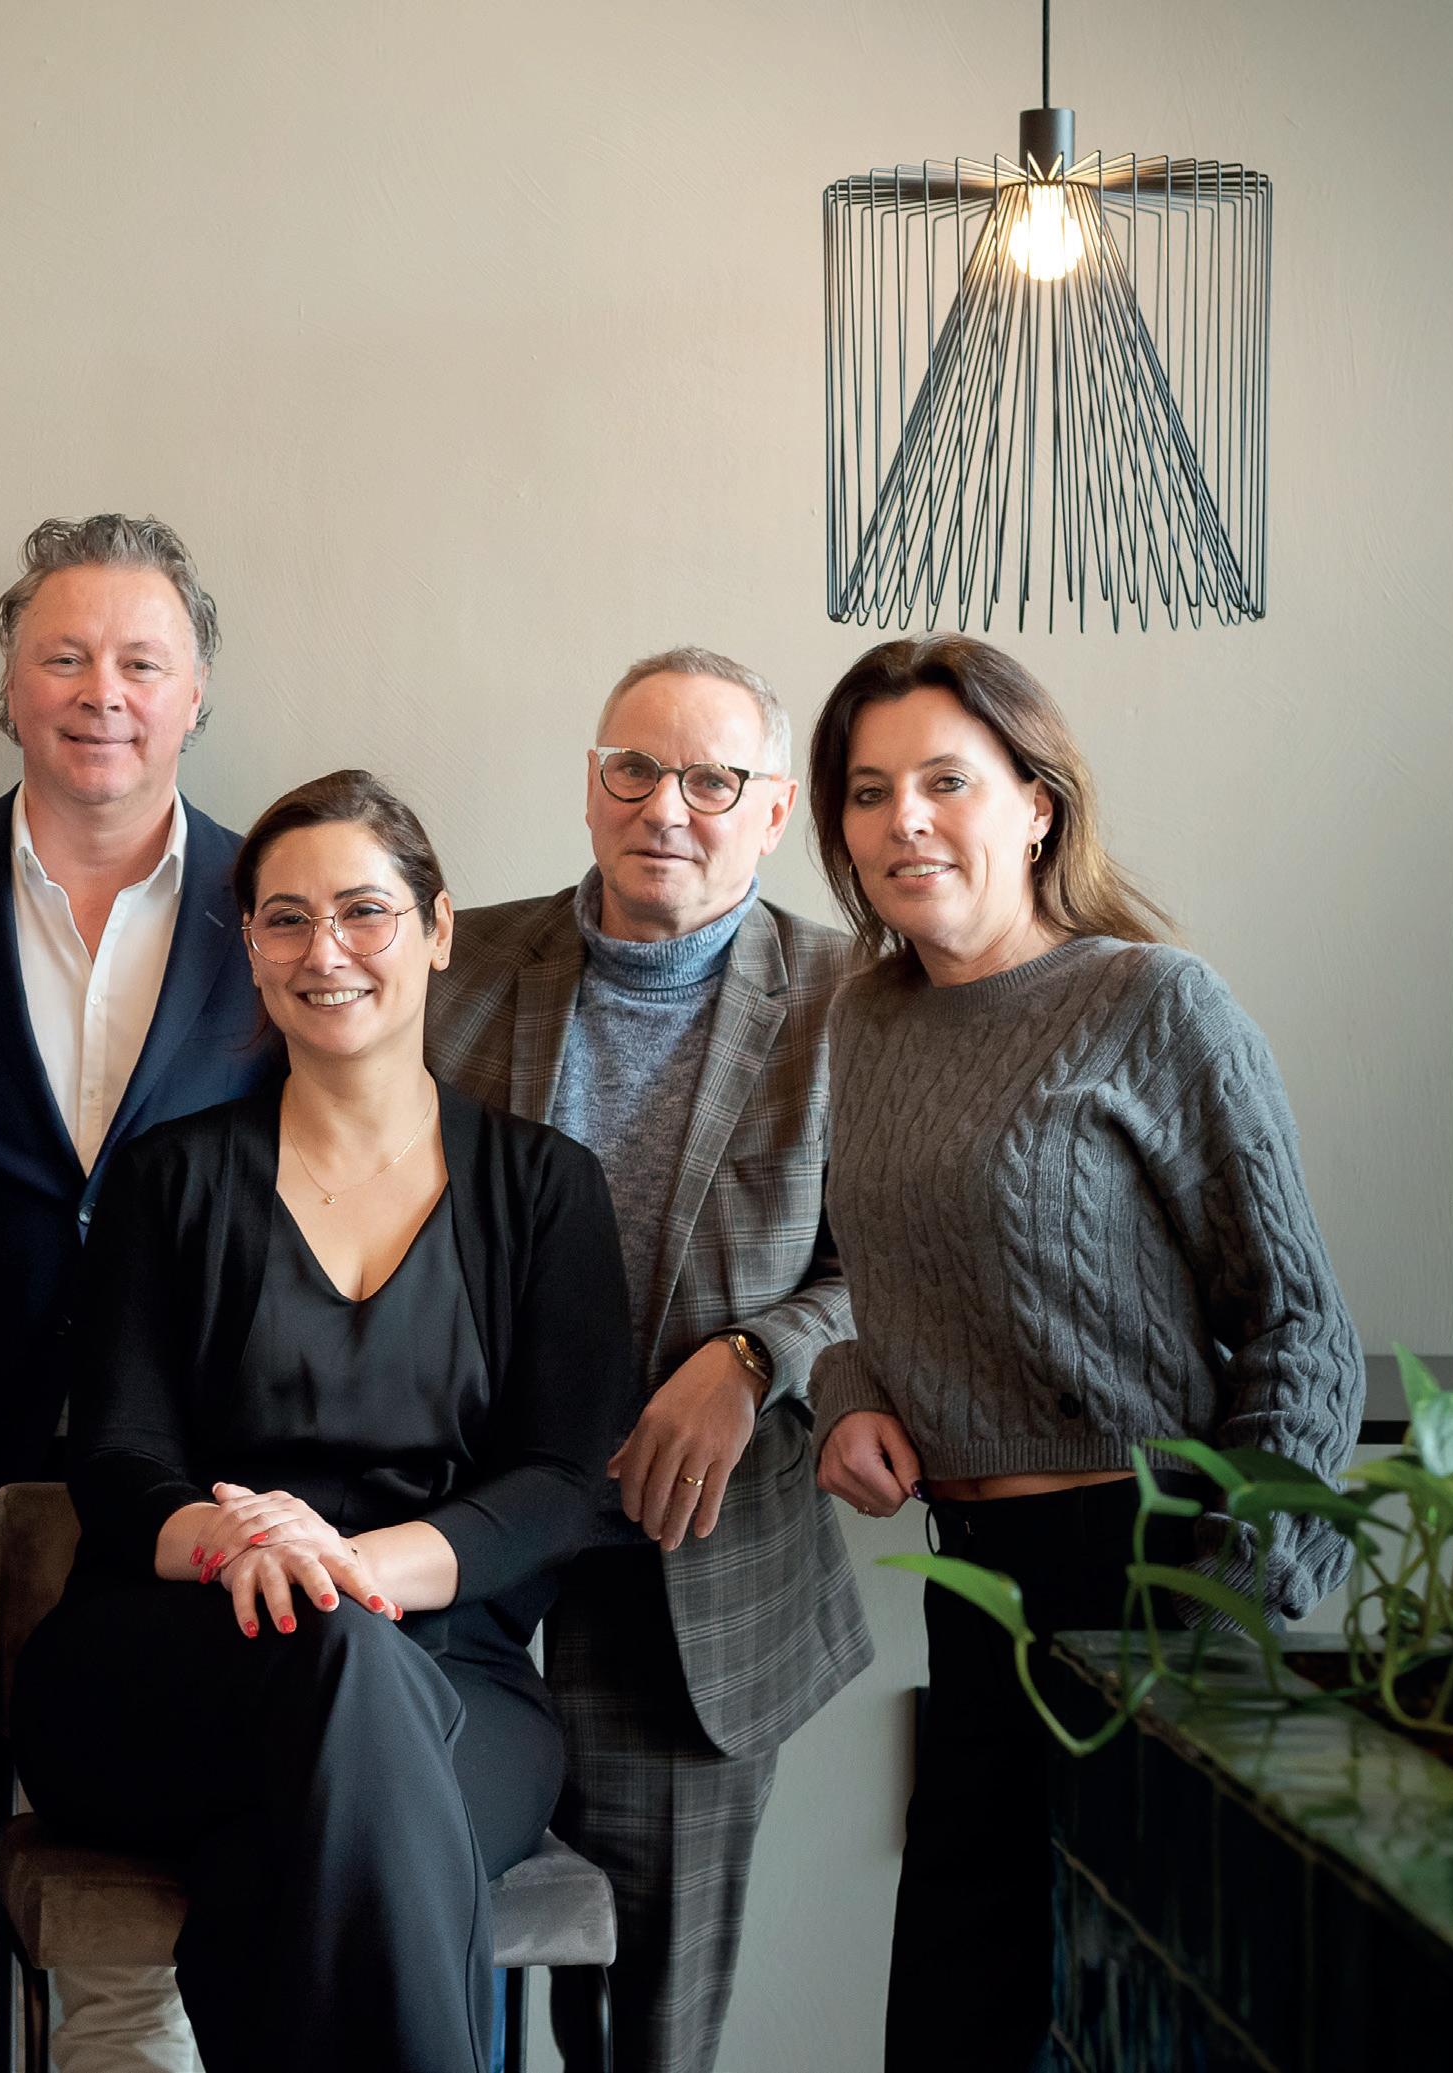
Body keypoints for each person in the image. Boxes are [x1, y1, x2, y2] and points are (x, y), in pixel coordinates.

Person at [801, 635, 1364, 2073]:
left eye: (946, 781)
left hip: (1149, 1573)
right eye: (868, 791)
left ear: (1037, 804)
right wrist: (848, 1391)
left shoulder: (1154, 1003)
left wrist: (1221, 1611)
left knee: (1141, 2022)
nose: (904, 820)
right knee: (959, 2024)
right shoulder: (866, 1017)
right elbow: (856, 1268)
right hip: (972, 1583)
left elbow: (1303, 1331)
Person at [13, 769, 625, 2073]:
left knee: (300, 1823)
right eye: (284, 920)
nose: (323, 950)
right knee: (356, 1729)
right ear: (249, 948)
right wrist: (245, 1545)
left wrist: (348, 1567)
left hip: (452, 1672)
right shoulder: (167, 1181)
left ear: (438, 928)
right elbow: (116, 1460)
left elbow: (564, 1484)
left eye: (362, 912)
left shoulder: (546, 1191)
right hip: (173, 1659)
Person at [0, 513, 275, 2071]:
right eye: (64, 656)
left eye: (142, 660)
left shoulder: (276, 901)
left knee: (135, 1930)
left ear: (196, 693)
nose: (104, 692)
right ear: (9, 687)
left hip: (190, 1475)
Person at [428, 646, 872, 2073]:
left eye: (711, 779)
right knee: (421, 1953)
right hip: (454, 1555)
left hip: (683, 1567)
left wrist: (755, 1353)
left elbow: (903, 1266)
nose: (664, 806)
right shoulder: (451, 961)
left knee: (644, 2024)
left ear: (774, 811)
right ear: (589, 784)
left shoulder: (857, 997)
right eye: (633, 768)